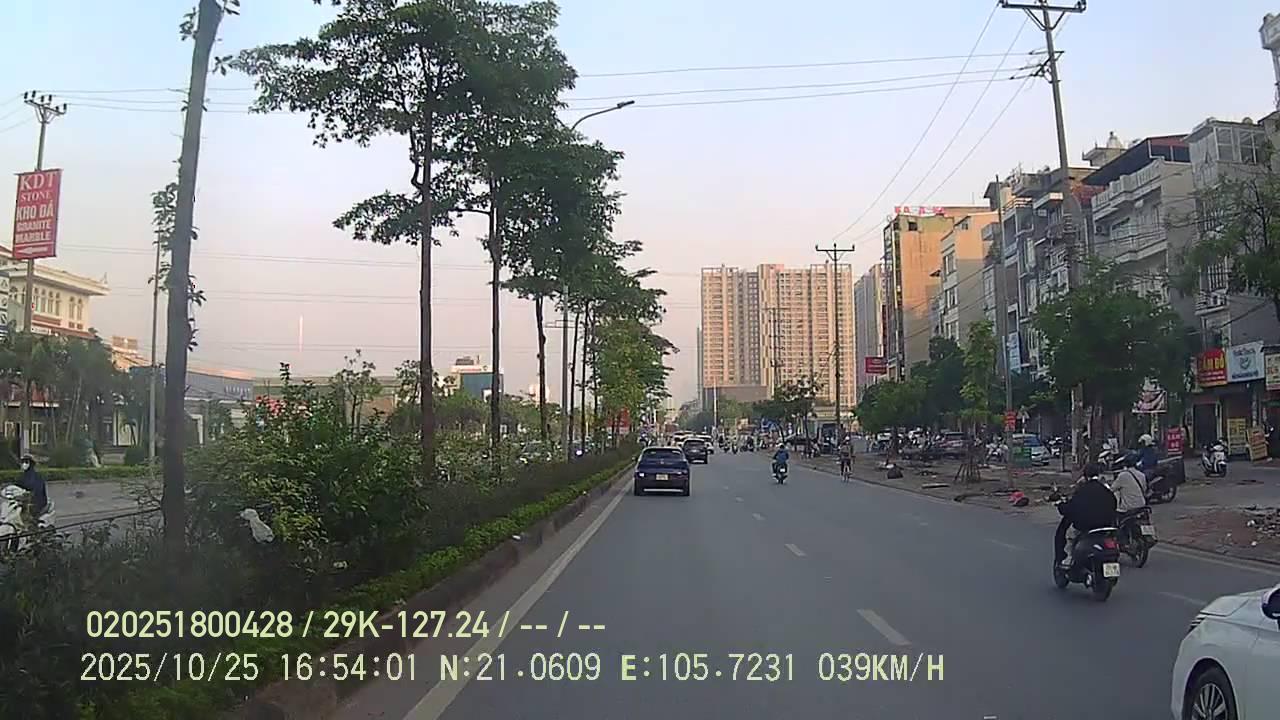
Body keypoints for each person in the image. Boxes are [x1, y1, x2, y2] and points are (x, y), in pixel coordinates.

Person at [1054, 461, 1117, 568]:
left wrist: (1061, 506)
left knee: (1069, 536)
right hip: (1106, 526)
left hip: (1086, 527)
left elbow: (1072, 507)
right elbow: (1114, 504)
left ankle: (1069, 558)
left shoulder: (1082, 491)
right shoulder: (1106, 490)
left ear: (1085, 476)